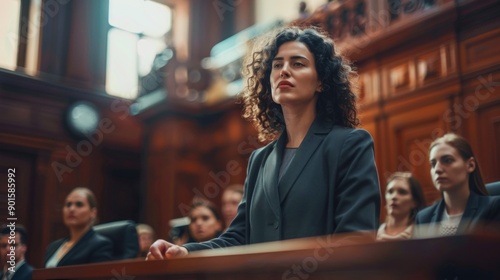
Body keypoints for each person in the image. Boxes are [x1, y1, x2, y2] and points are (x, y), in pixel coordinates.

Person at [147, 26, 380, 260]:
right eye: (277, 65)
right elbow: (238, 238)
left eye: (297, 63)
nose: (284, 71)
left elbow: (356, 239)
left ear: (321, 81)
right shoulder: (260, 160)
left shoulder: (350, 144)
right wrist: (185, 250)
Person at [414, 133, 500, 238]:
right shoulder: (423, 218)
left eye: (447, 160)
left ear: (470, 165)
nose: (437, 169)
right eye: (433, 164)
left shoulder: (493, 207)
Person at [44, 187, 113, 267]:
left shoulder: (100, 245)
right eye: (68, 205)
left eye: (79, 205)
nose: (71, 209)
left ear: (93, 213)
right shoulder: (52, 246)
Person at [377, 172, 426, 241]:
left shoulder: (421, 235)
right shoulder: (373, 232)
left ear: (415, 202)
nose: (393, 197)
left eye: (402, 192)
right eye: (390, 192)